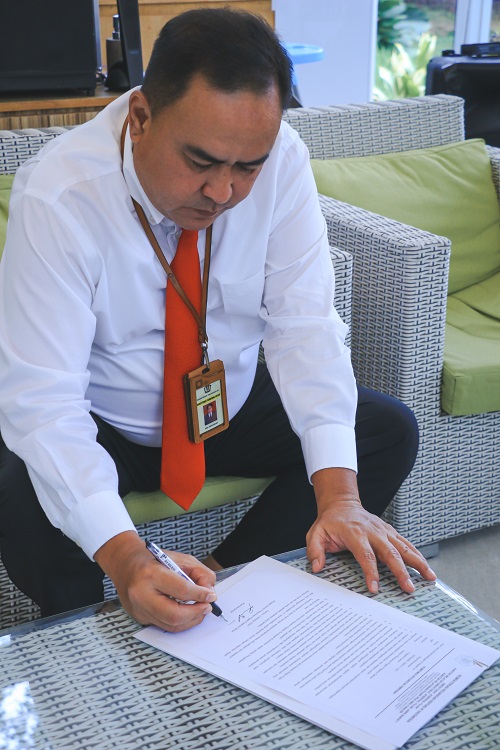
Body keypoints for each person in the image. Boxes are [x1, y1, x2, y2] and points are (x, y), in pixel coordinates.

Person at [0, 8, 435, 633]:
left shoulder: (283, 160)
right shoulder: (60, 195)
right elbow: (44, 403)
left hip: (223, 399)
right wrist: (124, 557)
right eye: (201, 161)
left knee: (384, 430)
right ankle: (99, 621)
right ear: (141, 117)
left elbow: (305, 325)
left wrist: (341, 498)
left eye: (246, 168)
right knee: (19, 487)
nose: (223, 192)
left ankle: (222, 578)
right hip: (107, 416)